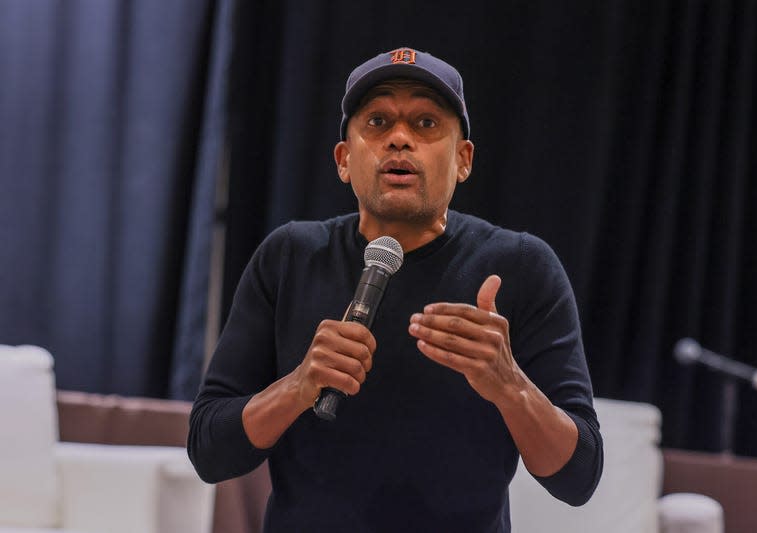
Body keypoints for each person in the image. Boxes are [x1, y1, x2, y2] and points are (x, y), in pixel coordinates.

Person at [188, 47, 603, 532]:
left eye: (426, 123)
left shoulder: (522, 266)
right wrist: (298, 387)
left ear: (463, 159)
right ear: (344, 159)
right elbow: (209, 453)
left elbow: (578, 479)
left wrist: (509, 386)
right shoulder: (290, 256)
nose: (400, 139)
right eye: (378, 121)